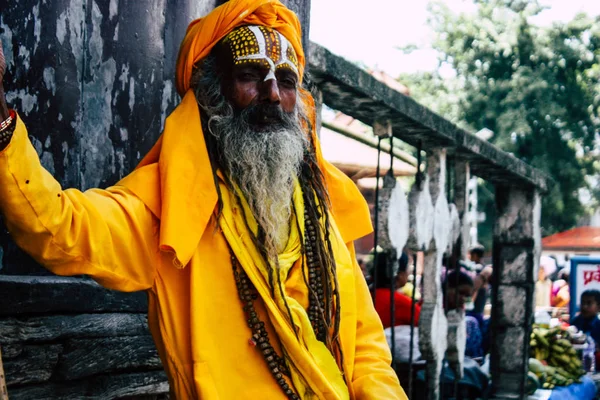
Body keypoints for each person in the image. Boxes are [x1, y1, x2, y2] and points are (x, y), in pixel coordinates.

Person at [0, 1, 406, 399]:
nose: (270, 93)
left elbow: (365, 347)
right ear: (213, 93)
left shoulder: (323, 208)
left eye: (285, 80)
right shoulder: (171, 204)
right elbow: (57, 226)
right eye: (250, 74)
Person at [373, 252, 421, 328]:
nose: (409, 273)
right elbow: (423, 320)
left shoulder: (368, 294)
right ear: (400, 274)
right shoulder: (398, 301)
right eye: (408, 268)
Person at [444, 270, 483, 359]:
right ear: (448, 287)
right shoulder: (437, 308)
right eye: (461, 293)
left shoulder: (459, 308)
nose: (463, 298)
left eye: (466, 296)